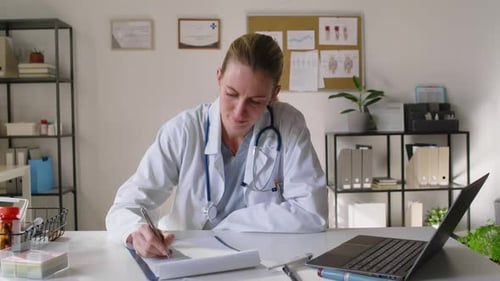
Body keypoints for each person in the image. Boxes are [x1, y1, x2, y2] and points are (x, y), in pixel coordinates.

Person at [106, 33, 328, 258]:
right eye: (231, 94)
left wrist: (229, 224)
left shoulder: (287, 125)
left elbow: (312, 212)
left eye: (255, 101)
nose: (239, 112)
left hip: (263, 256)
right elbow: (126, 206)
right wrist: (135, 233)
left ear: (274, 94)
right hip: (184, 255)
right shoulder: (184, 130)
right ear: (219, 78)